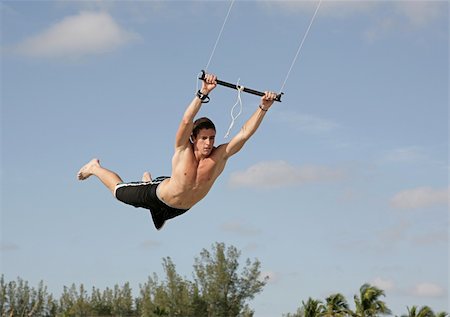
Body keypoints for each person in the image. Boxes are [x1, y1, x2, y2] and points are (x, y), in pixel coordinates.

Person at [77, 72, 277, 230]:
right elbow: (186, 120)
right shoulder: (183, 149)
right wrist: (203, 93)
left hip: (179, 209)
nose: (208, 143)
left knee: (158, 222)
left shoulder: (220, 156)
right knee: (118, 192)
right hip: (156, 196)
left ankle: (148, 180)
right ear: (193, 138)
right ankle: (94, 168)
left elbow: (244, 134)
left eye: (212, 138)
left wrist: (263, 107)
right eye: (204, 138)